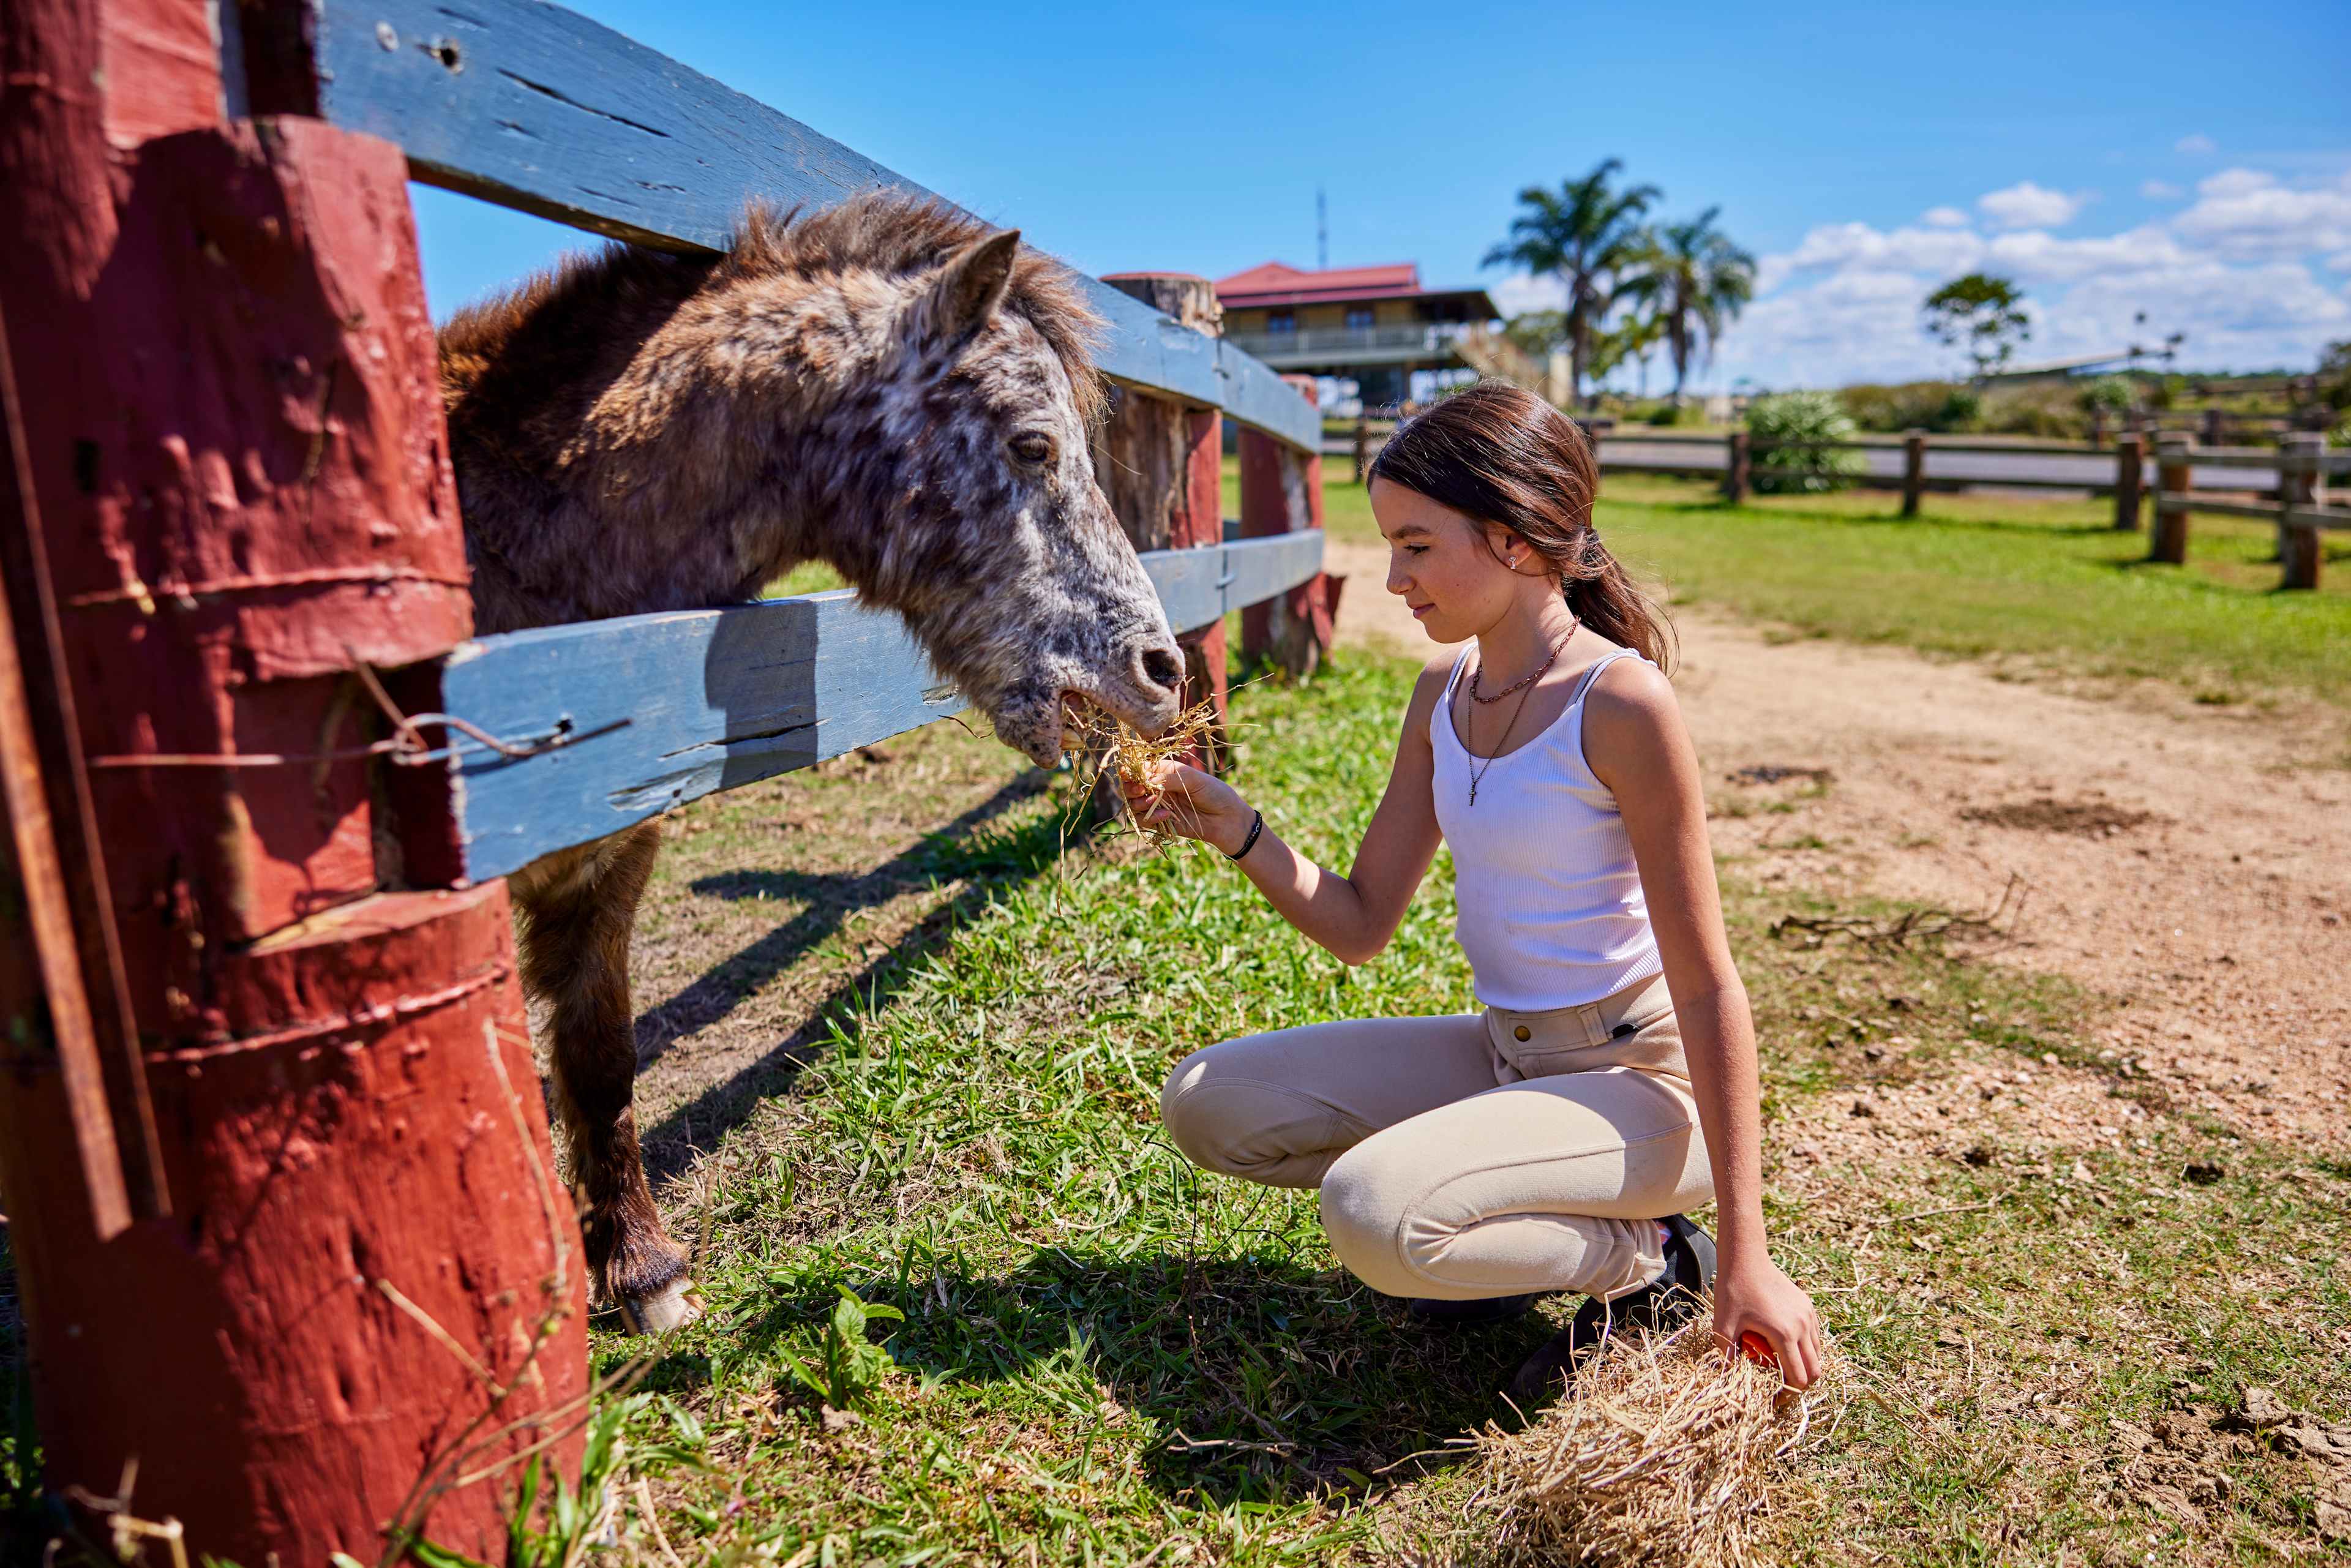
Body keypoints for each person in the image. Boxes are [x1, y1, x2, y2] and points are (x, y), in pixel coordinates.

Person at [1127, 381, 1823, 1400]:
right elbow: (1362, 921)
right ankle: (1509, 1215)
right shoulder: (1440, 698)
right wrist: (1240, 829)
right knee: (1209, 1103)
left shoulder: (1621, 701)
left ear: (1515, 538)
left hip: (1641, 1086)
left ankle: (1658, 1265)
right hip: (1506, 1054)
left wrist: (1755, 1252)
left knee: (1372, 1211)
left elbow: (1710, 984)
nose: (1395, 577)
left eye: (1415, 545)